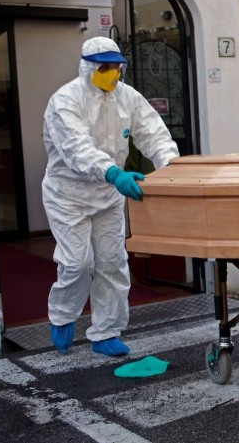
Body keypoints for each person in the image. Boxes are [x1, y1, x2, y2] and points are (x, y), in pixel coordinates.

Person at [43, 37, 179, 356]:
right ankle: (63, 315)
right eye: (104, 67)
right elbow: (77, 149)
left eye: (116, 67)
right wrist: (114, 173)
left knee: (112, 262)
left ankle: (106, 331)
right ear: (88, 68)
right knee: (77, 263)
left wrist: (171, 169)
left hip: (108, 195)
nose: (112, 73)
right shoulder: (65, 101)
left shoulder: (127, 97)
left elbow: (154, 134)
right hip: (68, 196)